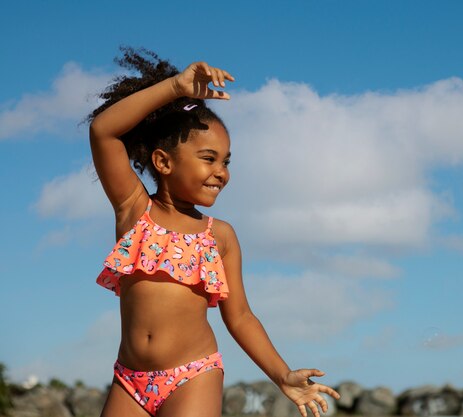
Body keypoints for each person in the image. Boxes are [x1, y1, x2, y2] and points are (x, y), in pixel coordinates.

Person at [88, 47, 340, 417]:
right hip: (129, 379)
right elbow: (103, 130)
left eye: (225, 161)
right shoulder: (135, 210)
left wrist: (281, 375)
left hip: (193, 376)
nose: (221, 171)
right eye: (208, 158)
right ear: (163, 162)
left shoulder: (219, 236)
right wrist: (175, 87)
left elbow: (239, 317)